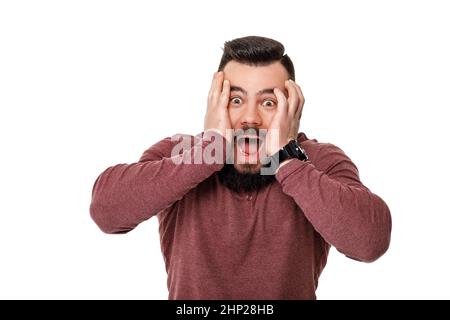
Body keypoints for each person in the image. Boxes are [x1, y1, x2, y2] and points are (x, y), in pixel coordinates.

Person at [89, 36, 392, 299]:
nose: (250, 118)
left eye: (268, 103)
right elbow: (106, 212)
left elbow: (370, 242)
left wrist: (287, 158)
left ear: (292, 109)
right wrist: (208, 151)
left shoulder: (316, 159)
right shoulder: (181, 152)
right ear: (215, 104)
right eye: (236, 100)